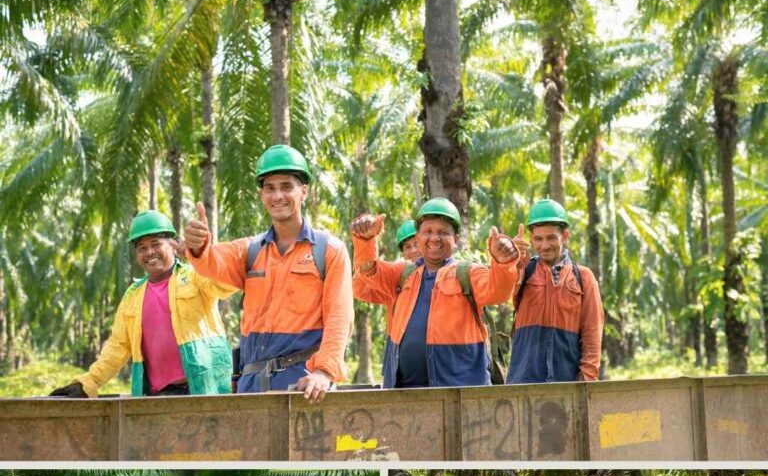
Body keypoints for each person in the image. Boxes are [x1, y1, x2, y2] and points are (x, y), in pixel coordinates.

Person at [184, 144, 353, 403]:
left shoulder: (329, 250)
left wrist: (323, 372)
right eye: (270, 188)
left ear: (303, 191)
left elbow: (339, 317)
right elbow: (212, 262)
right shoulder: (250, 251)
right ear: (262, 195)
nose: (278, 196)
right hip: (253, 384)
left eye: (287, 186)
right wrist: (199, 246)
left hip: (304, 385)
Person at [49, 210, 236, 398]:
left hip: (204, 389)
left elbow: (227, 283)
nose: (149, 252)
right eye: (142, 248)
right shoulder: (133, 296)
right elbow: (117, 346)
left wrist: (198, 257)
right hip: (157, 397)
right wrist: (88, 383)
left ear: (172, 245)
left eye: (156, 244)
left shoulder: (195, 276)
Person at [351, 198, 527, 388]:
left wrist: (503, 262)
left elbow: (497, 292)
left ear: (456, 239)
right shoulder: (402, 274)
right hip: (405, 395)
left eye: (443, 232)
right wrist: (365, 239)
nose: (435, 238)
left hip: (461, 397)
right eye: (428, 232)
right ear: (418, 237)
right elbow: (368, 271)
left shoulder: (468, 273)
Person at [505, 198, 604, 385]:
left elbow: (592, 331)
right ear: (531, 239)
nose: (544, 245)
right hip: (523, 381)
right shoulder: (524, 271)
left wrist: (587, 378)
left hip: (567, 381)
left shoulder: (583, 277)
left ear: (565, 236)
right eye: (538, 239)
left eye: (551, 238)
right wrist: (511, 260)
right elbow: (502, 286)